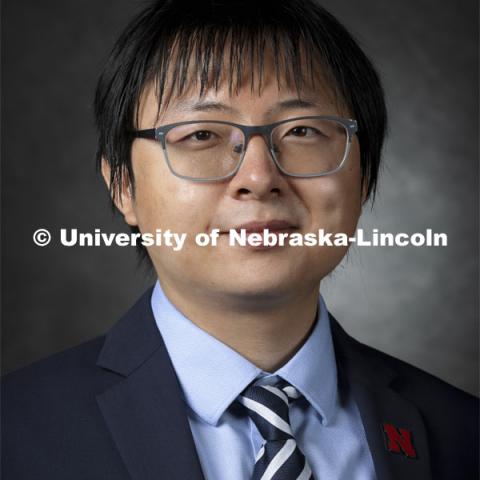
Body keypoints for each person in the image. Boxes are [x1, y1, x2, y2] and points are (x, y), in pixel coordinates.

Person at [2, 1, 478, 479]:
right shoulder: (16, 430)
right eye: (202, 134)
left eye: (302, 130)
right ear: (124, 186)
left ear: (365, 176)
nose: (257, 176)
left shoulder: (462, 434)